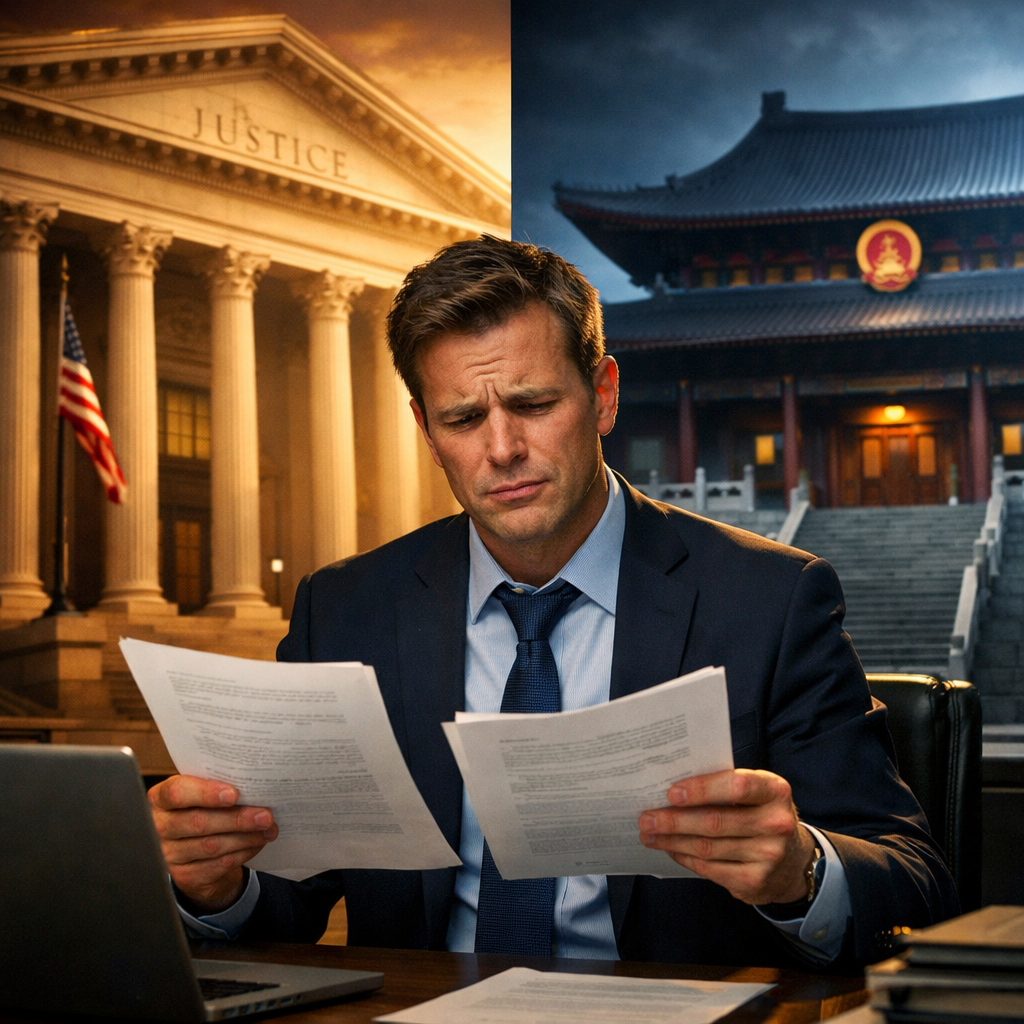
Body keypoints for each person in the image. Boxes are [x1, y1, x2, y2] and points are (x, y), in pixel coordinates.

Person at [149, 236, 957, 967]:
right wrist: (215, 886)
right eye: (464, 418)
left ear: (602, 395)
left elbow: (916, 881)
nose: (502, 449)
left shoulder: (771, 599)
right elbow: (289, 901)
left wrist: (800, 869)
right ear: (428, 431)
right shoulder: (347, 609)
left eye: (533, 405)